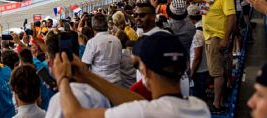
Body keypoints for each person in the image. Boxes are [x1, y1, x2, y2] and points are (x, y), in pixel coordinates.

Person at [51, 32, 210, 118]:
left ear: (145, 71)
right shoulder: (198, 107)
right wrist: (87, 76)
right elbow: (140, 102)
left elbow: (74, 114)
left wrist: (62, 78)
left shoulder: (143, 113)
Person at [186, 0, 237, 113]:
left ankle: (217, 104)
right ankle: (220, 98)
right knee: (216, 71)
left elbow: (232, 18)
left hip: (217, 37)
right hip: (210, 37)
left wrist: (225, 39)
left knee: (216, 72)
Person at [45, 33, 111, 118]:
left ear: (52, 62)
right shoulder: (99, 93)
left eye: (48, 57)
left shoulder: (58, 101)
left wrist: (62, 79)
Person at [81, 14, 122, 84]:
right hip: (117, 83)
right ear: (106, 26)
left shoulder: (92, 42)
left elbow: (84, 66)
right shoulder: (117, 40)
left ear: (93, 27)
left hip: (100, 85)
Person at [187, 4, 209, 99]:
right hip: (205, 66)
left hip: (198, 71)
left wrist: (191, 74)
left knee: (196, 99)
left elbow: (197, 56)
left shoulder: (196, 33)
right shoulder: (205, 24)